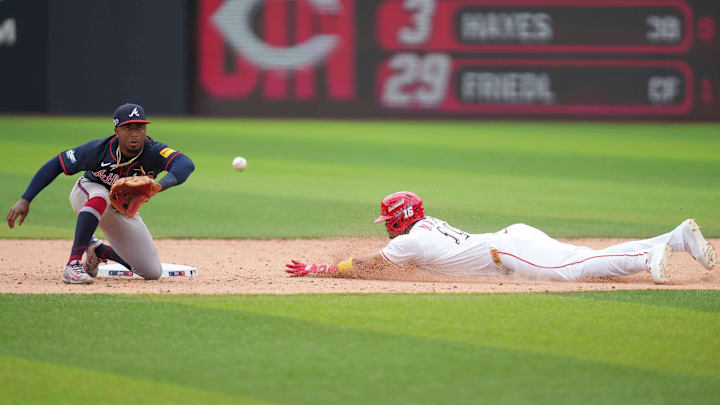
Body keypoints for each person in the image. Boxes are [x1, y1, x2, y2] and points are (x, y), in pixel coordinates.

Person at [286, 191, 716, 283]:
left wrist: (319, 269)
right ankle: (676, 238)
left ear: (401, 218)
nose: (389, 226)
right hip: (510, 239)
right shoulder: (424, 225)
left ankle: (647, 261)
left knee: (575, 269)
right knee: (583, 256)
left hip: (507, 249)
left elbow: (366, 266)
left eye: (389, 220)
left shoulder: (408, 241)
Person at [6, 103, 195, 284]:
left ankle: (100, 251)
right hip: (87, 192)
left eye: (140, 127)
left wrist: (160, 185)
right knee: (100, 197)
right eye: (128, 128)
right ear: (117, 131)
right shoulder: (98, 149)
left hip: (121, 209)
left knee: (151, 272)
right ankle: (72, 265)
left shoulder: (154, 151)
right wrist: (25, 199)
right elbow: (57, 163)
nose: (135, 133)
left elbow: (185, 164)